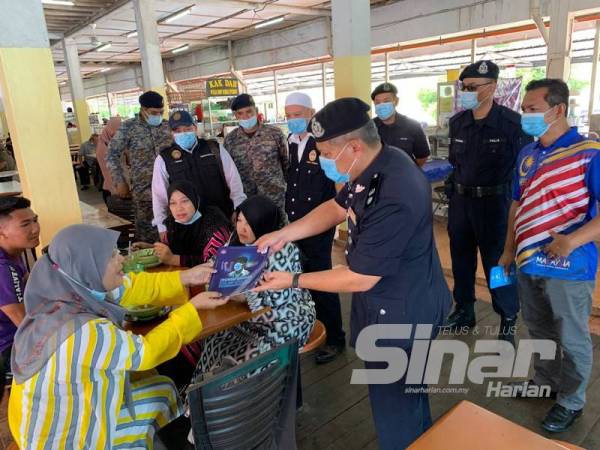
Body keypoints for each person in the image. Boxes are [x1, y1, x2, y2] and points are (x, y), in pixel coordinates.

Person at [254, 98, 451, 449]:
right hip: (396, 304)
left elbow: (359, 277)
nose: (325, 161)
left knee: (396, 413)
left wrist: (293, 280)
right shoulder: (374, 163)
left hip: (402, 318)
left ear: (354, 146)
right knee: (410, 401)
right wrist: (284, 233)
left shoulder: (396, 190)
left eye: (327, 153)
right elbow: (335, 206)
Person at [8, 224, 227, 449]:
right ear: (87, 267)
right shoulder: (80, 330)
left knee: (163, 390)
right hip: (59, 436)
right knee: (160, 392)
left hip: (49, 414)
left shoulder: (67, 293)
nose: (122, 259)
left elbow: (132, 286)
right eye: (112, 256)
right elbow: (145, 352)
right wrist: (192, 309)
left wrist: (187, 277)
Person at [499, 79, 600, 433]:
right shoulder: (527, 154)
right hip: (529, 260)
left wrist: (573, 241)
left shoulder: (589, 152)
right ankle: (546, 380)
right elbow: (516, 203)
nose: (525, 115)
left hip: (569, 267)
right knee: (539, 328)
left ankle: (571, 400)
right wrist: (508, 250)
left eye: (532, 109)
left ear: (557, 109)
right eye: (524, 109)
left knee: (571, 336)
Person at [444, 60, 533, 343]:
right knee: (461, 260)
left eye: (472, 87)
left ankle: (507, 316)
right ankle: (464, 310)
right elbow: (454, 163)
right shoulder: (458, 123)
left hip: (496, 206)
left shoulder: (512, 124)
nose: (466, 92)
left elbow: (524, 170)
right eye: (463, 87)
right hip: (461, 203)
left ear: (492, 87)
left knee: (498, 265)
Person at [194, 195, 315, 376]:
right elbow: (219, 263)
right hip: (247, 316)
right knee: (215, 339)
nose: (242, 228)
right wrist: (210, 273)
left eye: (249, 223)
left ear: (263, 223)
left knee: (249, 357)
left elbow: (279, 298)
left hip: (284, 318)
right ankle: (208, 395)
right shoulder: (237, 239)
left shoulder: (283, 249)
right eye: (240, 220)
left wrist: (240, 293)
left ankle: (250, 398)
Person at [284, 92, 346, 364]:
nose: (293, 120)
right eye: (288, 115)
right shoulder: (291, 141)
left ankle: (334, 338)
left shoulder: (323, 143)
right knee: (303, 280)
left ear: (311, 112)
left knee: (322, 282)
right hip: (296, 222)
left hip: (319, 223)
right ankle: (313, 328)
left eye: (298, 114)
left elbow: (338, 183)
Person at [152, 110, 246, 242]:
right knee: (191, 260)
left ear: (195, 128)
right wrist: (162, 227)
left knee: (224, 257)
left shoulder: (214, 149)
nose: (183, 133)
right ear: (172, 134)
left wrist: (239, 210)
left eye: (187, 128)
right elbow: (159, 197)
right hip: (186, 227)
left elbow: (234, 182)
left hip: (222, 221)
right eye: (178, 131)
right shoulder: (164, 158)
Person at [107, 90, 173, 242]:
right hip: (144, 196)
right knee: (147, 241)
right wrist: (119, 181)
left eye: (161, 112)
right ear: (143, 109)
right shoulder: (129, 128)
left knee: (173, 238)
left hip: (170, 194)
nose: (158, 116)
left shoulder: (167, 127)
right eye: (153, 112)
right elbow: (111, 154)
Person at [224, 93, 289, 216]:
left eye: (249, 111)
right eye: (240, 113)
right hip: (247, 200)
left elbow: (286, 163)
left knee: (279, 230)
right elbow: (229, 173)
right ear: (235, 115)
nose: (245, 116)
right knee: (253, 232)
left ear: (256, 111)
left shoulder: (275, 134)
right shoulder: (230, 140)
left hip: (275, 197)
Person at [0, 197, 39, 381]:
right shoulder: (3, 269)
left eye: (35, 220)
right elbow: (25, 325)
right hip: (8, 350)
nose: (35, 228)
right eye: (25, 224)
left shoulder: (13, 251)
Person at [151, 180, 232, 267]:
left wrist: (174, 259)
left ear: (195, 200)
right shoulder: (173, 222)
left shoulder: (213, 223)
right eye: (173, 203)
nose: (179, 208)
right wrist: (150, 249)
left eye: (184, 201)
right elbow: (168, 248)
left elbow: (216, 262)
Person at [371, 82, 431, 166]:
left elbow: (422, 156)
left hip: (405, 177)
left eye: (386, 101)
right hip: (377, 177)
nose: (382, 105)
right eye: (377, 102)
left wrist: (409, 172)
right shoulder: (369, 127)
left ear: (396, 101)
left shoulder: (413, 126)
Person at [96, 117, 122, 203]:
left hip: (120, 188)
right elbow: (108, 173)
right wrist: (116, 191)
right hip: (113, 191)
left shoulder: (112, 143)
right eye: (114, 132)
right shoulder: (103, 148)